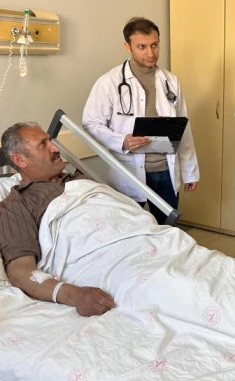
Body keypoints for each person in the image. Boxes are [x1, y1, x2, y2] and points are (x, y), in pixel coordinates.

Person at [83, 17, 199, 225]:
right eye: (142, 47)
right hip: (128, 172)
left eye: (154, 45)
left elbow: (183, 128)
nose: (150, 53)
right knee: (130, 231)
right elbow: (90, 123)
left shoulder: (171, 81)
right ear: (127, 46)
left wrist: (190, 171)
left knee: (166, 232)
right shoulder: (109, 82)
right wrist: (122, 141)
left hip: (166, 172)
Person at [0, 122, 117, 317]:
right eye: (43, 144)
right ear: (20, 160)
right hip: (107, 261)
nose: (55, 148)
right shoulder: (18, 204)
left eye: (50, 141)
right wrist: (73, 295)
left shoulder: (79, 180)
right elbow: (20, 270)